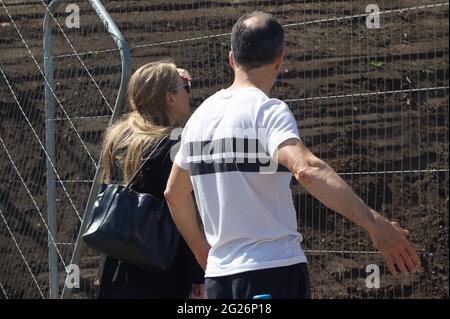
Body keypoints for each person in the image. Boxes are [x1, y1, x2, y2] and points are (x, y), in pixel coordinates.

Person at [164, 11, 421, 299]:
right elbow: (306, 170)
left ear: (232, 59)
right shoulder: (267, 110)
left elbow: (174, 193)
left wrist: (202, 250)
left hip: (219, 280)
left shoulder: (197, 120)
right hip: (273, 274)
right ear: (279, 59)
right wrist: (375, 224)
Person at [95, 61, 204, 299]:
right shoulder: (172, 147)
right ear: (170, 99)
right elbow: (181, 214)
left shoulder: (119, 138)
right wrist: (197, 275)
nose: (189, 92)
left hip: (116, 267)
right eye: (186, 86)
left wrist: (171, 74)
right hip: (160, 272)